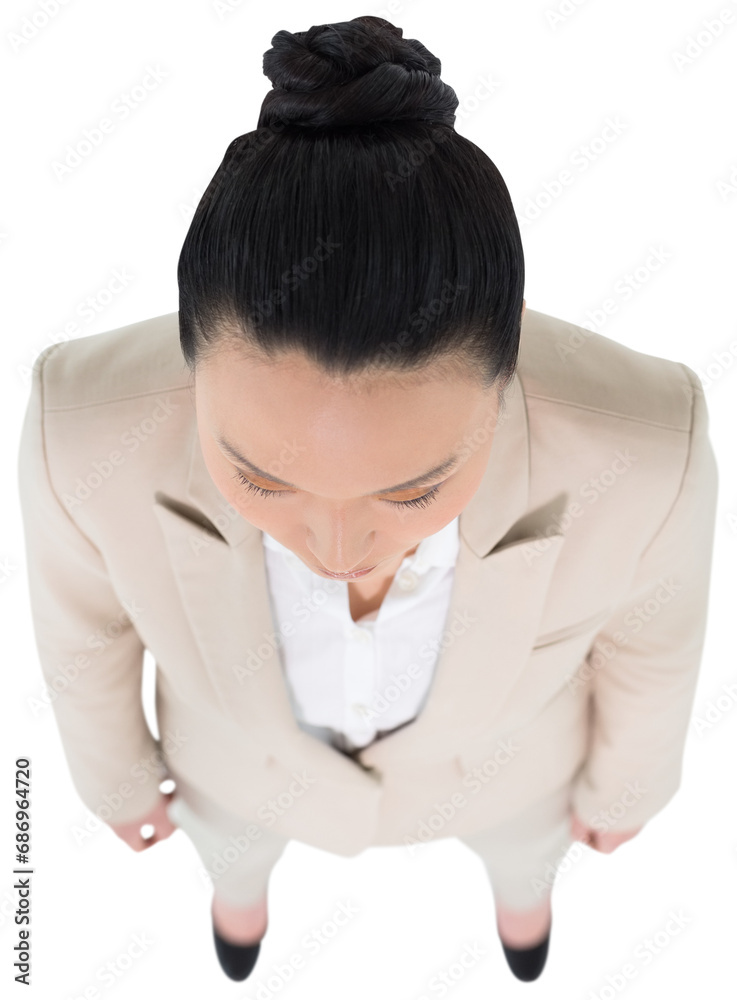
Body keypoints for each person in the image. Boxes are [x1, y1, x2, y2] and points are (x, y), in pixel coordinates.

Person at [17, 15, 718, 986]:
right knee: (230, 851)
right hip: (235, 764)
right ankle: (238, 904)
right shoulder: (81, 427)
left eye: (414, 487)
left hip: (508, 770)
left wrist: (624, 791)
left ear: (509, 367)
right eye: (262, 477)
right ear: (188, 358)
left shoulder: (647, 443)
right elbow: (82, 636)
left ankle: (523, 909)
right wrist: (118, 781)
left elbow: (652, 645)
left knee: (525, 855)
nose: (337, 549)